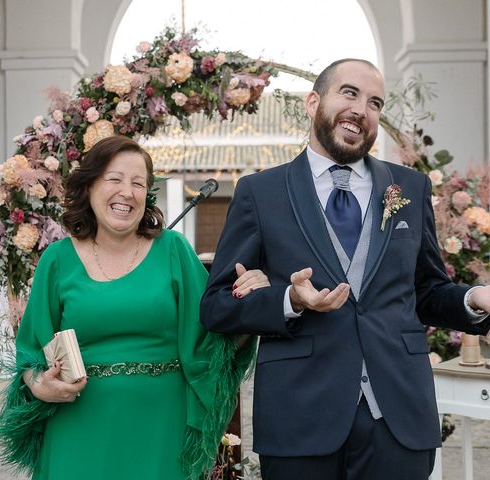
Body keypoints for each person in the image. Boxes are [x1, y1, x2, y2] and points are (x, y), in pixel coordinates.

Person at [200, 58, 490, 480]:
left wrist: (473, 298)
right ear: (313, 102)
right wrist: (289, 300)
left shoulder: (409, 187)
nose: (362, 109)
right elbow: (217, 305)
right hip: (301, 416)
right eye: (349, 93)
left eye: (375, 103)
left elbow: (426, 291)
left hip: (398, 418)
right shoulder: (260, 193)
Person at [0, 135, 256, 480]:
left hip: (161, 426)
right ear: (89, 187)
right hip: (76, 428)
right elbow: (30, 349)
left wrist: (248, 307)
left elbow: (213, 336)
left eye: (138, 183)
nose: (127, 192)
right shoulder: (57, 259)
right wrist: (39, 383)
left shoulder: (174, 250)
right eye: (114, 179)